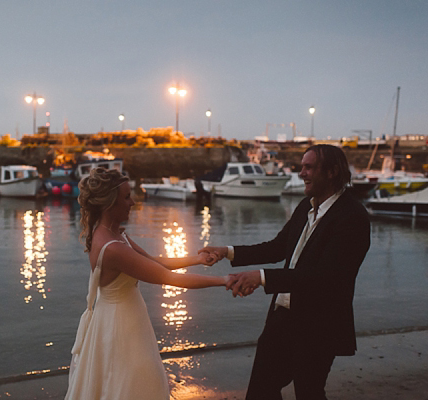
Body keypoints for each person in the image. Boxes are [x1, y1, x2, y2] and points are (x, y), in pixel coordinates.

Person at [200, 144, 371, 399]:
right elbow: (278, 247)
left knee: (309, 392)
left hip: (318, 325)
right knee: (261, 390)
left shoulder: (353, 217)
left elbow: (326, 277)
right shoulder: (306, 206)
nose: (302, 173)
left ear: (333, 172)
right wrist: (228, 251)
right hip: (282, 318)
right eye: (302, 167)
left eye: (309, 167)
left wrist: (261, 277)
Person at [65, 167, 229, 400]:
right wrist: (225, 281)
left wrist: (197, 259)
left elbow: (154, 262)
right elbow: (170, 279)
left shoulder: (114, 234)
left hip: (126, 317)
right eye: (126, 197)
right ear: (110, 202)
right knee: (129, 384)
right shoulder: (112, 248)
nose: (132, 202)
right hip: (119, 326)